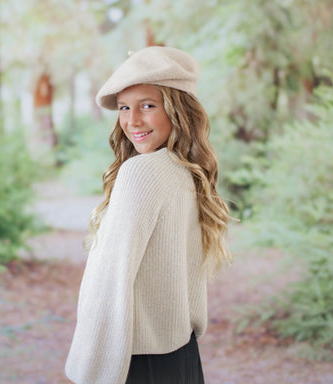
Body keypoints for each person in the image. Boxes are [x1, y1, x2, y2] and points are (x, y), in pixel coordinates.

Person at [65, 46, 232, 384]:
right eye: (125, 108)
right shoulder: (186, 172)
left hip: (135, 362)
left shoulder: (141, 173)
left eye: (148, 106)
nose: (132, 121)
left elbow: (109, 282)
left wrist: (88, 369)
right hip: (181, 356)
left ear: (178, 110)